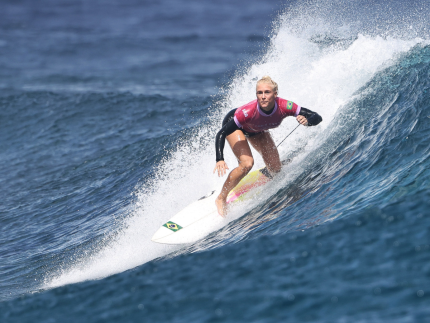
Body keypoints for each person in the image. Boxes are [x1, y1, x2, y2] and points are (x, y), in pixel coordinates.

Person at [213, 76, 322, 216]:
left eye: (267, 92)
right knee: (247, 164)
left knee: (276, 169)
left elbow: (316, 116)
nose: (263, 96)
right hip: (235, 127)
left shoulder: (285, 106)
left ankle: (259, 172)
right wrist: (219, 158)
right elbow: (221, 133)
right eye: (259, 93)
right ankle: (221, 198)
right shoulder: (247, 112)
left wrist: (307, 121)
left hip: (256, 130)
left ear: (275, 94)